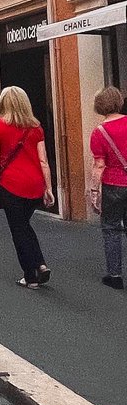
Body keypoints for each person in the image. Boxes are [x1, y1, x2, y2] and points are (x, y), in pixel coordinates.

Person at [0, 86, 54, 288]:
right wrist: (48, 187)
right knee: (24, 225)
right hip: (34, 183)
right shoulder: (36, 128)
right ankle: (40, 264)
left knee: (18, 229)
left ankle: (30, 276)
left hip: (11, 184)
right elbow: (43, 161)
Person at [88, 86, 127, 290]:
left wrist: (94, 191)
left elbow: (99, 165)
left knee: (111, 228)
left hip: (113, 184)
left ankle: (115, 275)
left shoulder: (99, 132)